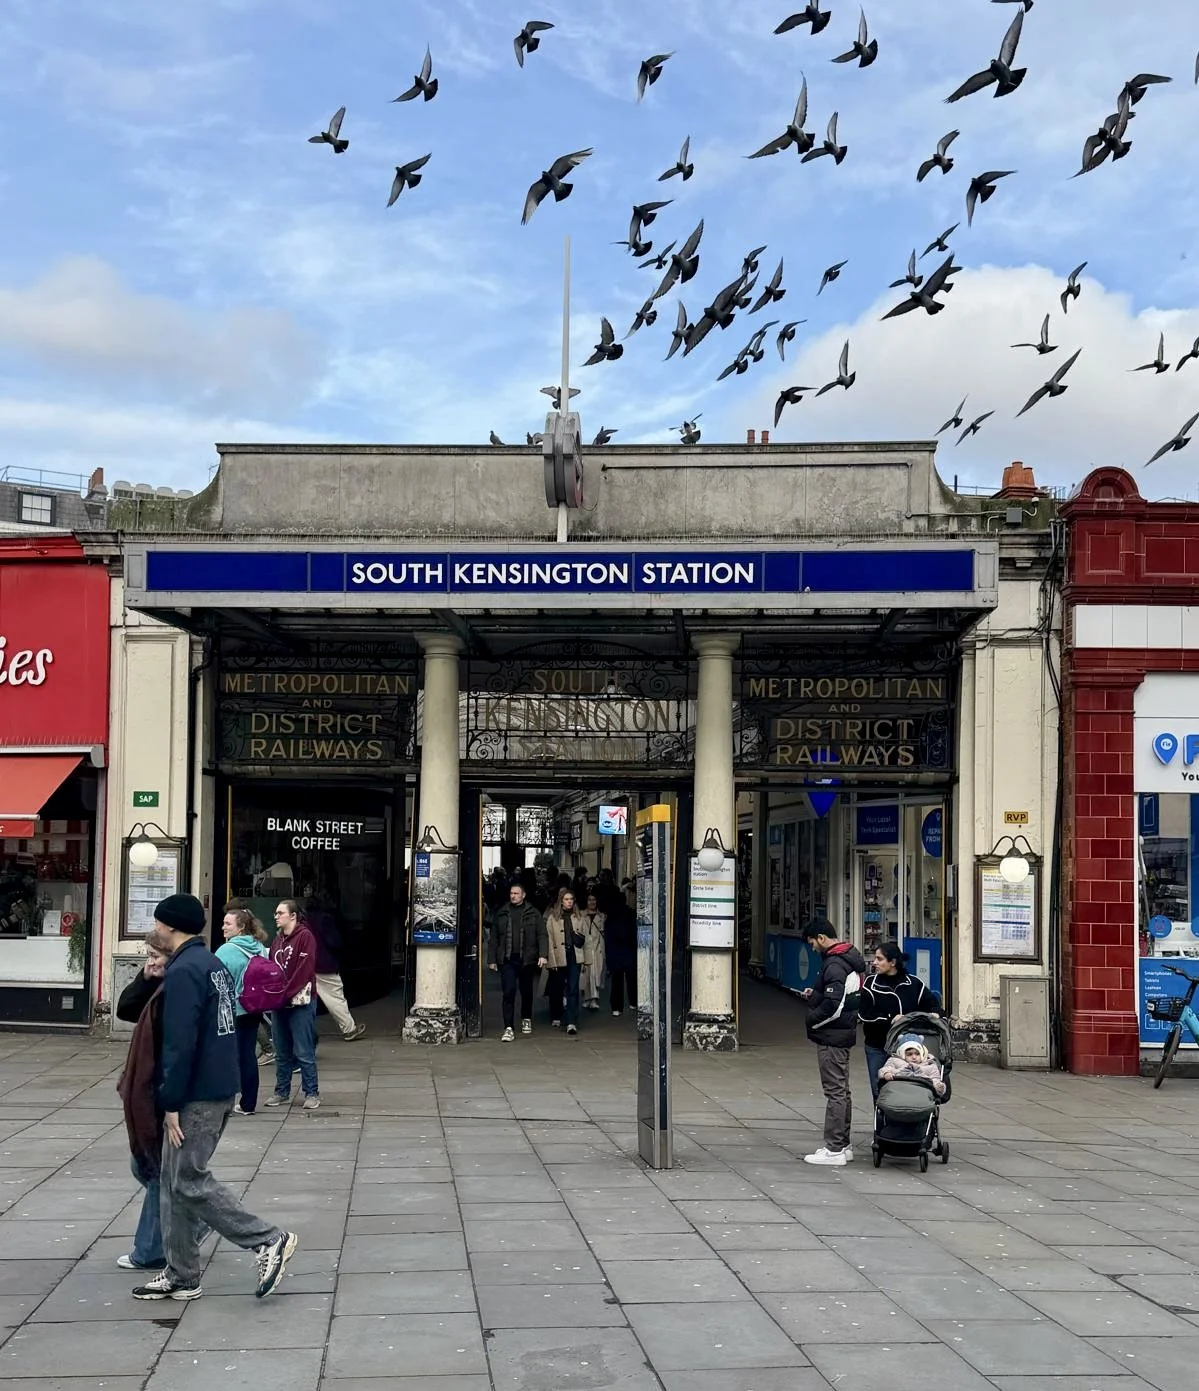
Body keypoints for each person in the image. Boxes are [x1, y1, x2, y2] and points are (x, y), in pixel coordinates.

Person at [130, 893, 297, 1302]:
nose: (155, 931)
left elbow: (181, 1042)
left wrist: (170, 1103)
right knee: (172, 1182)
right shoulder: (212, 963)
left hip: (198, 1094)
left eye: (158, 924)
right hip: (218, 1084)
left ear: (170, 926)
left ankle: (268, 1239)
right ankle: (182, 1273)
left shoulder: (186, 969)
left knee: (187, 1179)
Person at [114, 930, 173, 1272]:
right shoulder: (156, 983)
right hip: (151, 1089)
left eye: (155, 957)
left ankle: (149, 1250)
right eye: (146, 957)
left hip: (163, 1091)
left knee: (156, 1173)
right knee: (150, 1169)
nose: (150, 962)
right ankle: (192, 1220)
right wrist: (145, 976)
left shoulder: (176, 987)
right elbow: (125, 1009)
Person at [799, 916, 867, 1167]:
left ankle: (835, 1148)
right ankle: (843, 1144)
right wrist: (814, 994)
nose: (812, 948)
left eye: (812, 943)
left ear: (822, 938)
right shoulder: (846, 959)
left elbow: (834, 1005)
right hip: (842, 1032)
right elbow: (838, 996)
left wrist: (812, 1020)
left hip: (832, 1034)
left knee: (835, 1092)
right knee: (842, 1090)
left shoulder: (835, 964)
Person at [859, 941, 942, 1104]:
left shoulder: (913, 984)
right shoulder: (871, 983)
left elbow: (931, 1004)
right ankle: (881, 1123)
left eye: (879, 959)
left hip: (907, 1050)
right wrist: (890, 1018)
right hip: (878, 1045)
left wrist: (937, 1014)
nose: (874, 962)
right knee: (880, 1088)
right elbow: (864, 1013)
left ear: (893, 962)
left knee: (908, 1088)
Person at [214, 907, 270, 1115]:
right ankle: (249, 1103)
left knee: (226, 1056)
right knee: (247, 1055)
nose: (223, 927)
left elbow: (214, 980)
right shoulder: (259, 947)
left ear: (241, 927)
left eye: (228, 924)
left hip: (232, 1011)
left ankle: (223, 1101)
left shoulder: (225, 951)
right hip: (254, 1007)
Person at [266, 899, 320, 1109]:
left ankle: (312, 1092)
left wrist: (284, 993)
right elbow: (272, 966)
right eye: (276, 913)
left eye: (280, 913)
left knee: (303, 1049)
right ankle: (282, 1091)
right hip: (280, 1001)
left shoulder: (305, 937)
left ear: (293, 915)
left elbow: (304, 971)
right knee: (281, 1049)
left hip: (300, 1002)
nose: (276, 916)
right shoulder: (278, 939)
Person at [489, 881, 547, 1041]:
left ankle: (526, 1017)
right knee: (509, 991)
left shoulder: (533, 913)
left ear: (523, 895)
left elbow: (542, 934)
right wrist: (492, 959)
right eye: (511, 893)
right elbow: (494, 938)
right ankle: (508, 1027)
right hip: (507, 960)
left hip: (526, 959)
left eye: (516, 893)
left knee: (526, 991)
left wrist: (543, 954)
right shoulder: (502, 913)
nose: (513, 896)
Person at [304, 896, 366, 1042]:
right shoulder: (324, 920)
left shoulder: (304, 922)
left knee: (306, 1001)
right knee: (335, 997)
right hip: (324, 964)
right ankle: (349, 1029)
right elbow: (334, 941)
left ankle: (304, 1034)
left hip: (308, 964)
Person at [545, 888, 587, 1035]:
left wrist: (587, 961)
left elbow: (585, 938)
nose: (569, 902)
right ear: (561, 901)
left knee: (573, 989)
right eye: (566, 899)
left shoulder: (580, 917)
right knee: (557, 988)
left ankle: (571, 1022)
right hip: (559, 957)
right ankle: (556, 1015)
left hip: (575, 956)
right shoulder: (553, 918)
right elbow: (549, 940)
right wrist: (551, 961)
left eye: (571, 899)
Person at [879, 1033, 946, 1095]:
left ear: (922, 1054)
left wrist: (938, 1086)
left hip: (922, 1092)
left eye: (917, 1054)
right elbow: (884, 1069)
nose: (914, 1057)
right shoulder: (895, 1061)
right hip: (899, 1090)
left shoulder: (930, 1065)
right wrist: (886, 1073)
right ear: (902, 1054)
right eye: (909, 1054)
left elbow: (935, 1078)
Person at [605, 894, 637, 1016]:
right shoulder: (631, 914)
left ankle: (616, 1007)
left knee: (616, 980)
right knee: (631, 978)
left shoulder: (611, 916)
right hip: (628, 950)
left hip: (615, 951)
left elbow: (608, 935)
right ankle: (633, 1002)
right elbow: (635, 932)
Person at [579, 892, 607, 1011]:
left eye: (594, 900)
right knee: (585, 974)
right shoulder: (580, 915)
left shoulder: (602, 916)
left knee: (596, 974)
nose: (592, 902)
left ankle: (594, 999)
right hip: (585, 947)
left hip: (597, 948)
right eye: (589, 899)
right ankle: (587, 999)